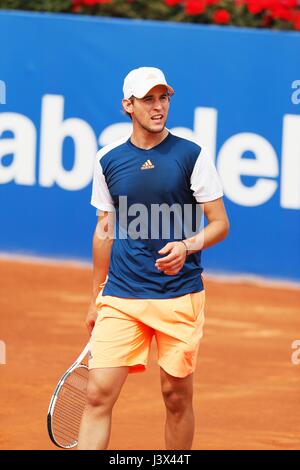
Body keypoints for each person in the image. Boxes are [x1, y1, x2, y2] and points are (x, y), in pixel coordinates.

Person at [78, 67, 229, 450]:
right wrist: (97, 294)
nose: (158, 106)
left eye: (164, 98)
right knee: (97, 394)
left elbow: (220, 224)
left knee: (176, 398)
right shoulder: (107, 159)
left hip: (178, 296)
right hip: (122, 296)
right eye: (148, 99)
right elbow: (104, 230)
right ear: (128, 105)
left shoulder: (191, 155)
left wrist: (187, 246)